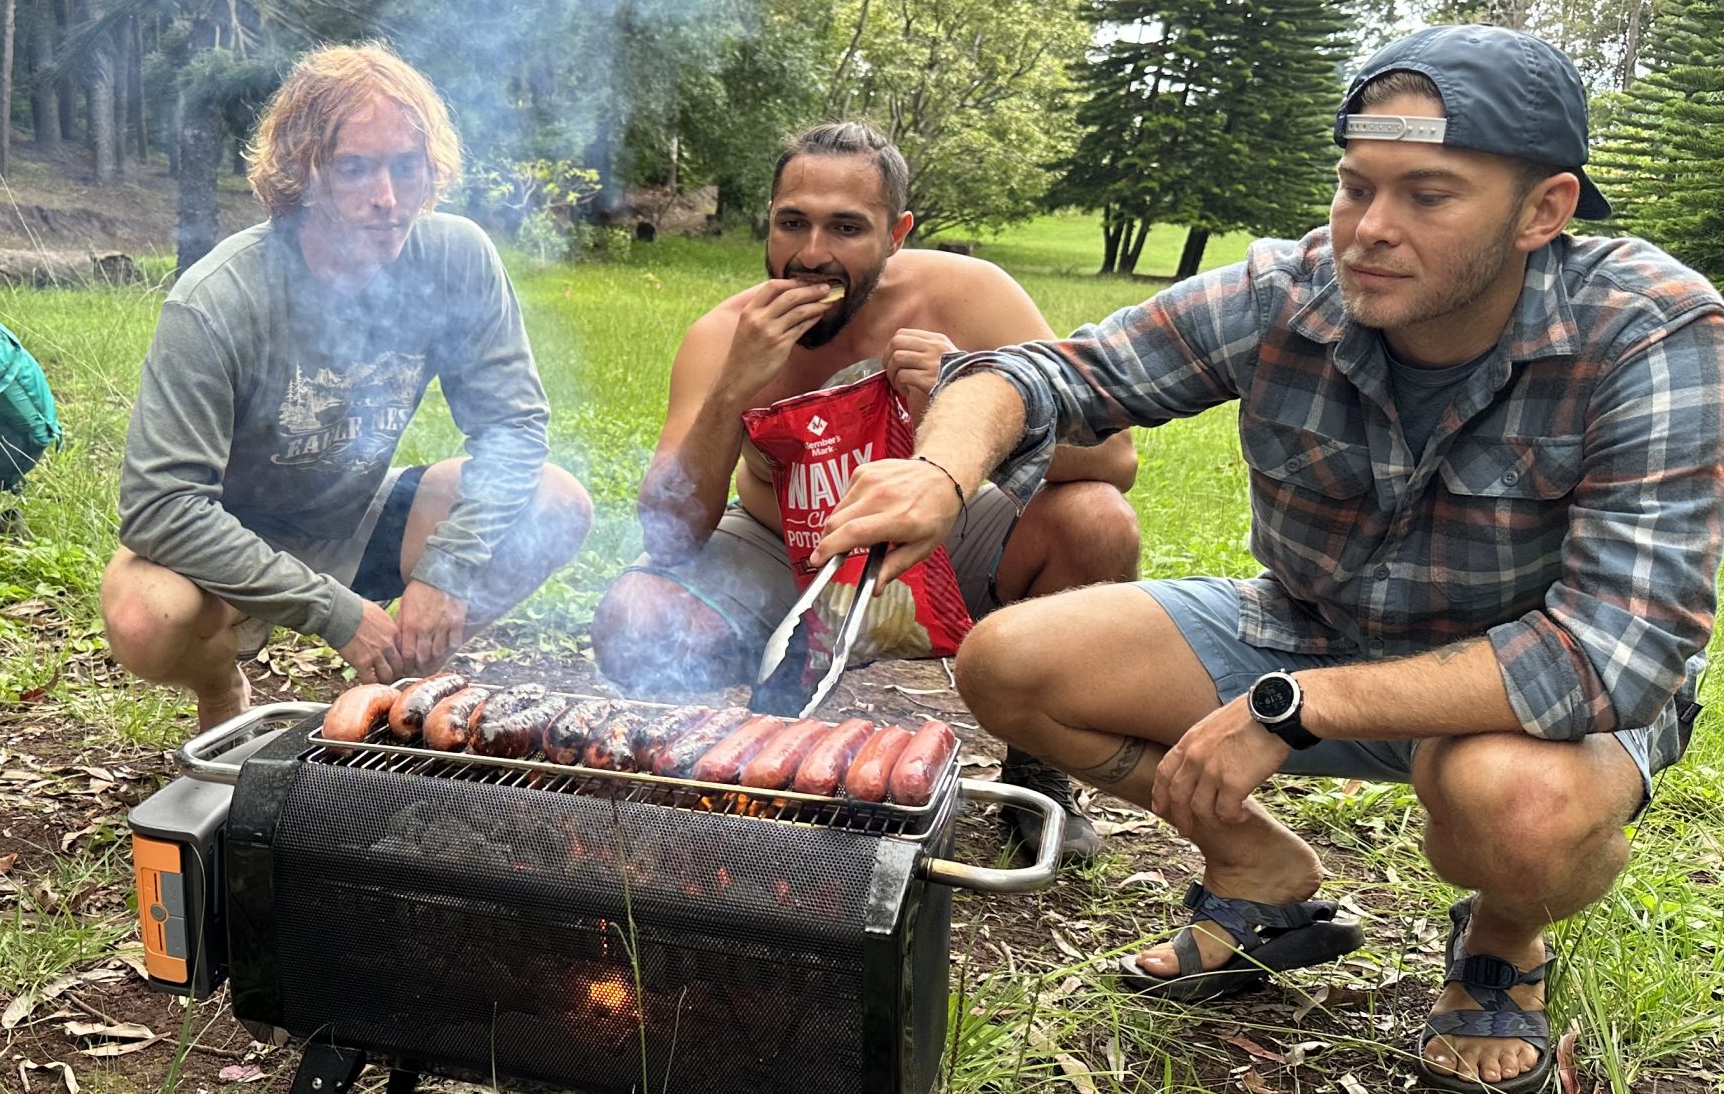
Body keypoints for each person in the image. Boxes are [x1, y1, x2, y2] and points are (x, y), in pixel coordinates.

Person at [813, 25, 1724, 1094]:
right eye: (1355, 188)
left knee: (1516, 807)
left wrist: (1287, 709)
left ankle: (1502, 939)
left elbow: (1616, 650)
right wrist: (941, 471)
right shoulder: (1285, 293)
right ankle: (1258, 871)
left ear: (1543, 212)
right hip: (1311, 626)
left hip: (1517, 696)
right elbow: (1048, 375)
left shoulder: (1648, 328)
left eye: (1428, 196)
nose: (1369, 232)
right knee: (1009, 664)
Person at [590, 120, 1140, 859]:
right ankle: (712, 768)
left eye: (846, 228)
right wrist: (729, 397)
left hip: (940, 533)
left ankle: (1040, 774)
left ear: (896, 233)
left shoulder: (969, 296)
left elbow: (1113, 460)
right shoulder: (725, 335)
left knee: (1097, 523)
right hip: (781, 546)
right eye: (793, 223)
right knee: (634, 613)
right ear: (769, 222)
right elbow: (667, 535)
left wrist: (964, 407)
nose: (812, 255)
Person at [105, 43, 594, 730]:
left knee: (556, 501)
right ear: (302, 173)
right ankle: (221, 689)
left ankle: (404, 695)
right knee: (142, 615)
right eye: (355, 168)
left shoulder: (454, 258)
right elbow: (161, 507)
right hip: (231, 542)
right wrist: (334, 612)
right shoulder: (219, 299)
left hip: (357, 513)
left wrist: (446, 568)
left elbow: (513, 428)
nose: (387, 199)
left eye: (406, 167)